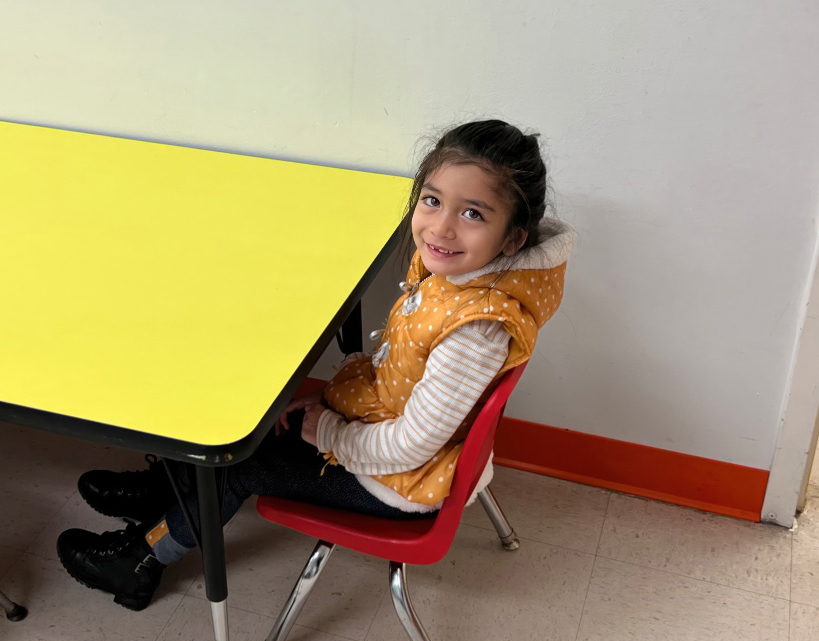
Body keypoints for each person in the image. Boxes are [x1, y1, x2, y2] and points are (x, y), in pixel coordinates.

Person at [57, 119, 575, 610]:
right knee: (253, 412)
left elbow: (413, 443)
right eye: (433, 200)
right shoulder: (466, 281)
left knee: (242, 458)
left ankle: (142, 558)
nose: (441, 227)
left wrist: (327, 429)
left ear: (512, 239)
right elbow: (397, 374)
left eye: (473, 213)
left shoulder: (474, 331)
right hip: (383, 436)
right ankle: (164, 494)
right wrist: (330, 402)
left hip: (397, 480)